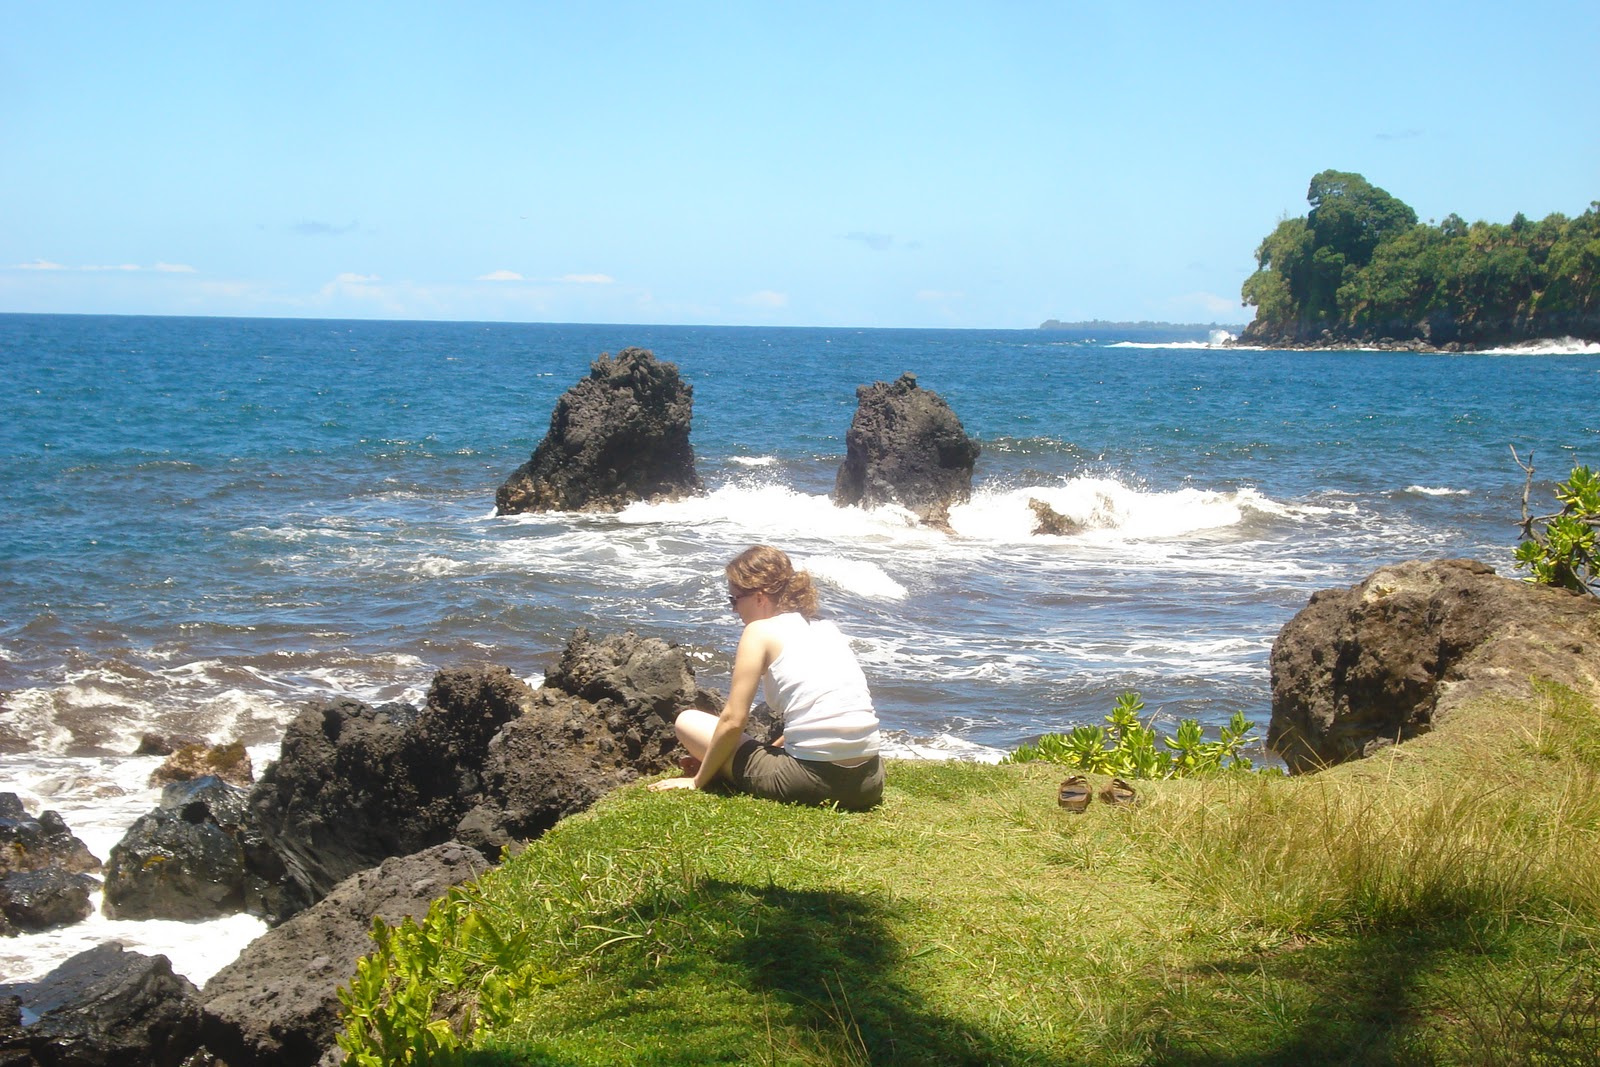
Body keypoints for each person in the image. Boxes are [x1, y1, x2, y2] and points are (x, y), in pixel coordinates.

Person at [650, 545, 884, 810]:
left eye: (734, 599)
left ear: (760, 597)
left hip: (811, 783)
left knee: (687, 720)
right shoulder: (826, 628)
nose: (734, 610)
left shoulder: (759, 631)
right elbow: (826, 713)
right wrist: (773, 750)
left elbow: (733, 719)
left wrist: (699, 779)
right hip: (870, 781)